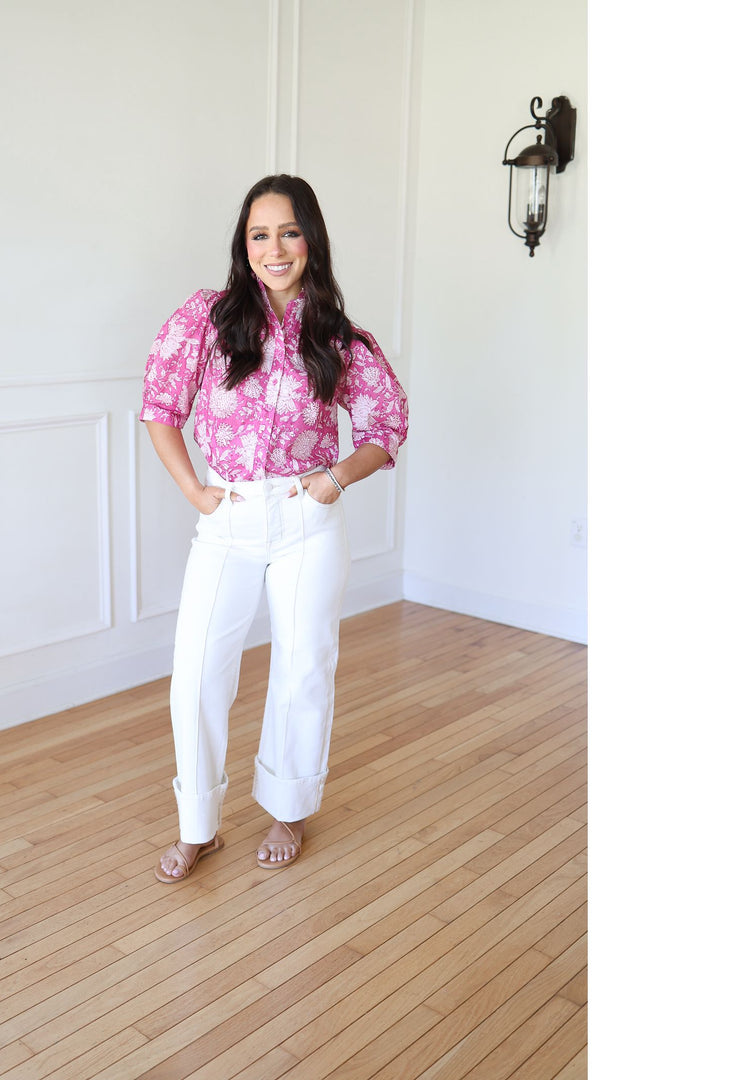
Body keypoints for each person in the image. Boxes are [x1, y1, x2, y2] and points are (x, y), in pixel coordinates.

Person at [140, 174, 408, 882]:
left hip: (305, 519)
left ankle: (288, 809)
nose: (274, 247)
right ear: (244, 244)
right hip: (226, 517)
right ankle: (198, 826)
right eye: (259, 234)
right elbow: (160, 409)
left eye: (288, 231)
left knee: (302, 666)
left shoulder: (339, 337)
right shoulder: (208, 317)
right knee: (196, 674)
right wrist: (197, 493)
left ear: (310, 239)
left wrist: (334, 480)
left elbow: (386, 426)